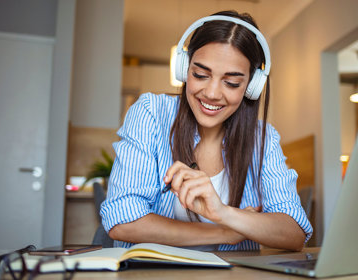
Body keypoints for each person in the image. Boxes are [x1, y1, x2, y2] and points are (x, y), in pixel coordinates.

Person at [100, 10, 313, 251]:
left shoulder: (262, 138)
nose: (211, 93)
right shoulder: (151, 113)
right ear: (184, 68)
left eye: (231, 83)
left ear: (252, 86)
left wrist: (223, 213)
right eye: (200, 75)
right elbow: (122, 220)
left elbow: (295, 231)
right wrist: (222, 232)